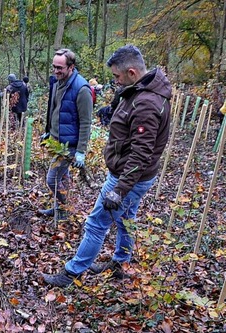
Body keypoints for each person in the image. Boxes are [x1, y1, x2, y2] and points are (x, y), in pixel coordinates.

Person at [42, 44, 172, 287]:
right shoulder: (139, 92)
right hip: (134, 175)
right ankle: (120, 262)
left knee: (96, 223)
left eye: (117, 77)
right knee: (126, 219)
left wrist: (119, 190)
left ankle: (71, 273)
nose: (115, 81)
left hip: (128, 177)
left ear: (132, 73)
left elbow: (141, 154)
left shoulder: (146, 104)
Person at [38, 48, 93, 220]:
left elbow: (86, 122)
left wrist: (81, 151)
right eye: (54, 67)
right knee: (63, 177)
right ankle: (59, 210)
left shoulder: (82, 88)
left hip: (69, 145)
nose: (56, 71)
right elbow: (54, 110)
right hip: (56, 141)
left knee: (52, 179)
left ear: (71, 67)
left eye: (60, 68)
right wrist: (48, 132)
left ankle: (66, 208)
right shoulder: (56, 83)